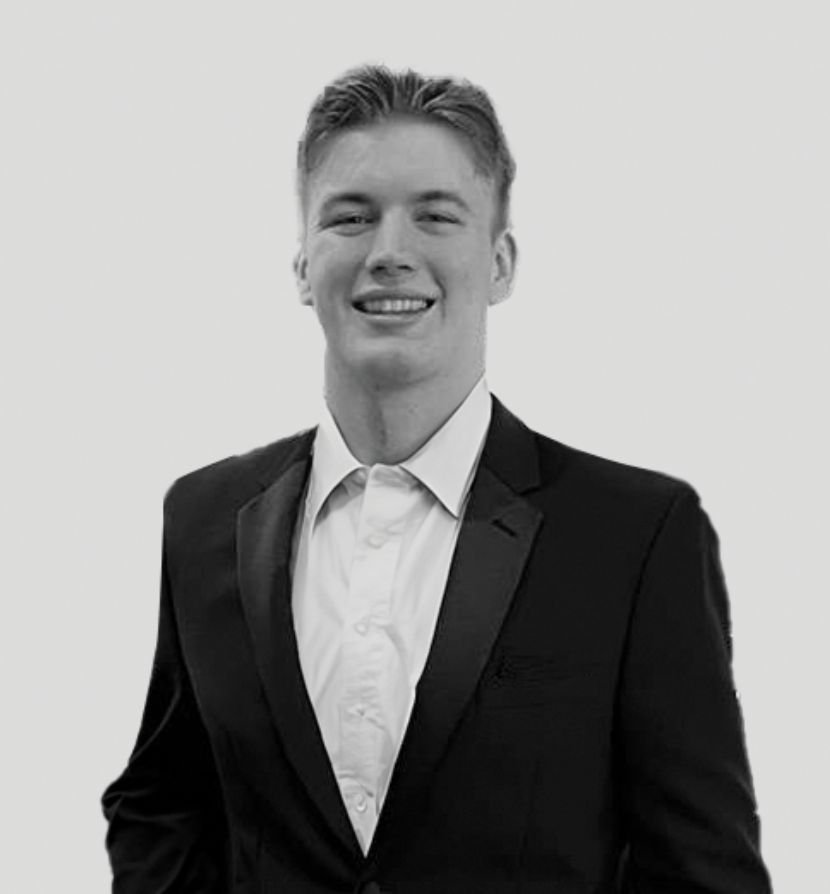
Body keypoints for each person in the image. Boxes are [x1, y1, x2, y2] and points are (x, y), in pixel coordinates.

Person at [102, 65, 772, 893]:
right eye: (351, 218)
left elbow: (702, 870)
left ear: (499, 263)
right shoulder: (204, 517)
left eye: (435, 216)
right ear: (304, 267)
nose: (390, 252)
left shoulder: (634, 535)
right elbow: (166, 804)